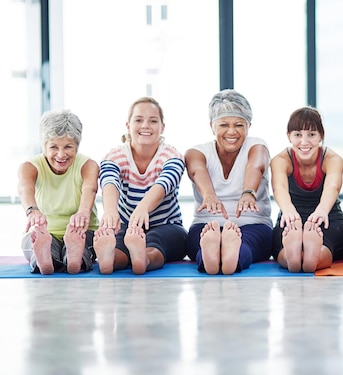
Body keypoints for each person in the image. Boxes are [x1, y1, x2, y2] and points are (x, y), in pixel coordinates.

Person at [93, 97, 187, 274]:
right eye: (138, 120)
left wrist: (143, 208)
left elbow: (165, 182)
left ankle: (143, 259)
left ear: (162, 127)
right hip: (128, 227)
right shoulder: (115, 155)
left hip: (166, 225)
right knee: (121, 243)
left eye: (153, 121)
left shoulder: (171, 154)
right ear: (128, 126)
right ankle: (109, 259)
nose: (145, 125)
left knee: (158, 240)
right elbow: (109, 181)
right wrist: (111, 211)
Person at [185, 89, 272, 275]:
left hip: (253, 223)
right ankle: (212, 254)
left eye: (239, 125)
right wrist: (209, 195)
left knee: (248, 243)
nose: (232, 131)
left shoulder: (257, 146)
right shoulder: (196, 152)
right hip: (206, 224)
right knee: (202, 240)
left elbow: (256, 166)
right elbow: (196, 170)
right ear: (212, 126)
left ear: (249, 125)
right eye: (224, 124)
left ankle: (229, 255)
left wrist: (248, 192)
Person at [17, 109, 99, 274]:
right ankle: (46, 260)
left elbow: (90, 189)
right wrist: (32, 211)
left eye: (68, 146)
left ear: (77, 146)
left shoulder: (88, 165)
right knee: (38, 247)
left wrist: (83, 212)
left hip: (81, 230)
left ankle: (74, 259)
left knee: (83, 248)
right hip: (44, 232)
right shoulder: (29, 167)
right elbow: (25, 188)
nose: (61, 154)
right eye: (54, 147)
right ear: (44, 145)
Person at [270, 107, 343, 272]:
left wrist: (321, 211)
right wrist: (289, 211)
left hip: (327, 218)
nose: (304, 142)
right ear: (289, 136)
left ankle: (308, 258)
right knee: (283, 240)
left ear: (321, 136)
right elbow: (279, 187)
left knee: (329, 243)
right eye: (298, 135)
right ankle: (295, 257)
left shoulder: (333, 159)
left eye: (311, 134)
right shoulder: (281, 160)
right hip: (292, 221)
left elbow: (332, 186)